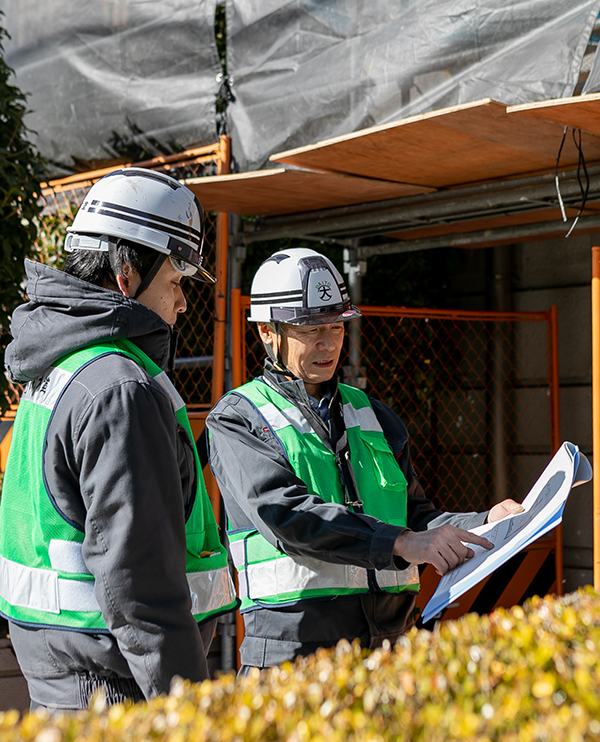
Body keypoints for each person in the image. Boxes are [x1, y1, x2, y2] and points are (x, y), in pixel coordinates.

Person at [206, 247, 522, 673]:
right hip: (292, 656)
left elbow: (416, 517)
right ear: (267, 331)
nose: (328, 343)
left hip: (390, 649)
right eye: (310, 329)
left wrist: (483, 522)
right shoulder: (238, 418)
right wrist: (400, 543)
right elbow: (288, 516)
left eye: (336, 326)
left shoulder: (374, 415)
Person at [0, 168, 238, 710]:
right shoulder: (119, 388)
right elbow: (139, 582)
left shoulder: (62, 364)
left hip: (62, 681)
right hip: (116, 689)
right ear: (127, 273)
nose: (182, 303)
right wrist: (187, 710)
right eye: (176, 282)